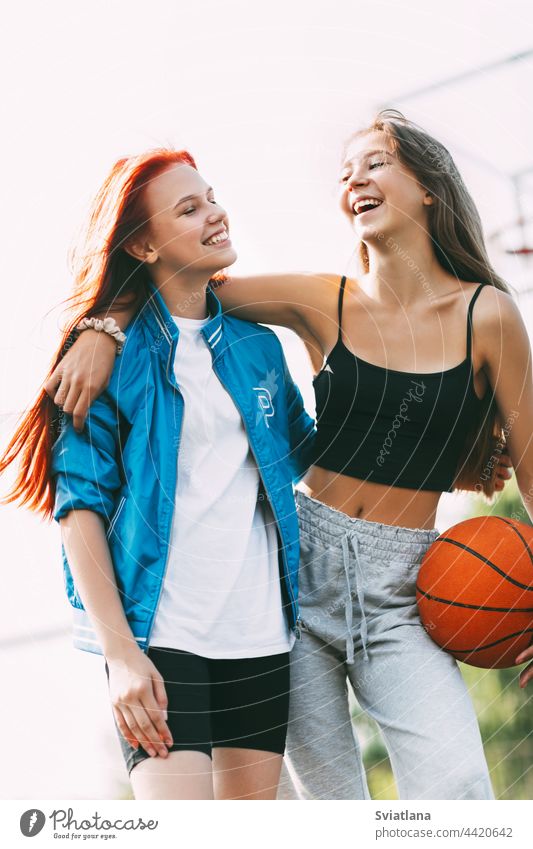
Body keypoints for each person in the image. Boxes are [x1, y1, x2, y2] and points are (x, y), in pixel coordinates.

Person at [41, 112, 532, 800]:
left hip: (404, 585)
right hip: (295, 578)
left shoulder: (489, 316)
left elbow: (528, 472)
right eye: (344, 172)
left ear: (429, 188)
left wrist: (449, 469)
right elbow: (181, 286)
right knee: (330, 810)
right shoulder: (322, 299)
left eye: (375, 163)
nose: (353, 179)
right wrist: (100, 326)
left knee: (459, 790)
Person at [0, 149, 317, 800]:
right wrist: (120, 654)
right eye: (189, 207)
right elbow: (77, 509)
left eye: (212, 196)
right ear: (143, 245)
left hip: (259, 638)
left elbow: (310, 458)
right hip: (162, 640)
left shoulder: (258, 347)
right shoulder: (102, 357)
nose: (215, 212)